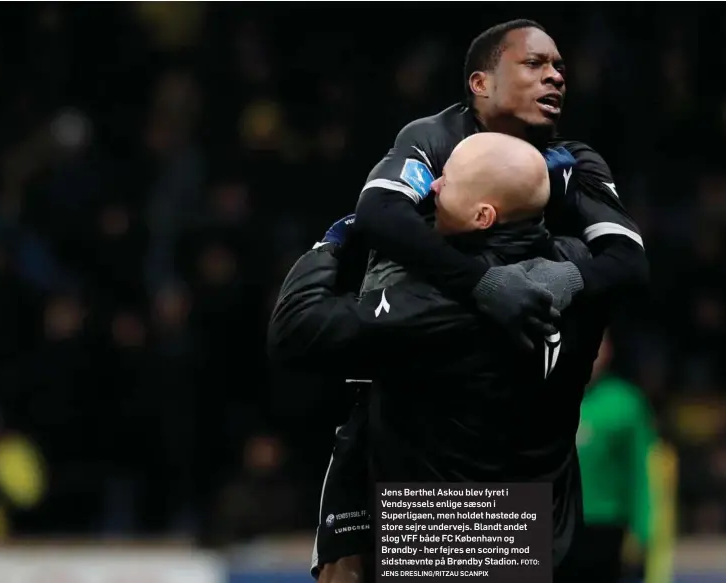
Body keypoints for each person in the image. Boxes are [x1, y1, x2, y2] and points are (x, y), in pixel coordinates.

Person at [304, 18, 648, 583]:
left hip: (507, 416)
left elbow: (630, 264)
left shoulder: (572, 161)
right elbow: (380, 214)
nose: (555, 76)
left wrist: (566, 282)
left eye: (559, 66)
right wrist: (482, 285)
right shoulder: (434, 138)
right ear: (481, 82)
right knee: (347, 573)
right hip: (403, 394)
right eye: (535, 64)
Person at [269, 132, 611, 580]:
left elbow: (295, 328)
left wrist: (332, 243)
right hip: (545, 538)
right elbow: (622, 258)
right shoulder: (581, 269)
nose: (432, 188)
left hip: (445, 541)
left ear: (483, 215)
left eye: (447, 180)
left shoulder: (437, 306)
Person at [558, 332, 676, 583]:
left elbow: (644, 471)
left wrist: (644, 530)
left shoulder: (626, 403)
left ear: (608, 350)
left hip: (605, 527)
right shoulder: (538, 396)